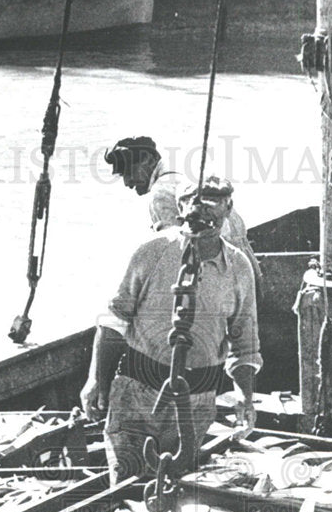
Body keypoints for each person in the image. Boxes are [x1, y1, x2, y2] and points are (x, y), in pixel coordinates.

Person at [81, 175, 262, 483]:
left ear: (228, 210)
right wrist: (96, 382)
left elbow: (244, 344)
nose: (203, 216)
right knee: (128, 485)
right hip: (137, 393)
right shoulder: (150, 253)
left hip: (198, 401)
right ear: (179, 208)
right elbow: (114, 322)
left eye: (214, 209)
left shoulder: (239, 268)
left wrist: (244, 394)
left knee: (180, 489)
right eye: (193, 208)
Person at [104, 135, 264, 290]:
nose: (127, 182)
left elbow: (176, 254)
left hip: (224, 281)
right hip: (248, 273)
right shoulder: (187, 176)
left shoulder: (160, 194)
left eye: (129, 172)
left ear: (148, 160)